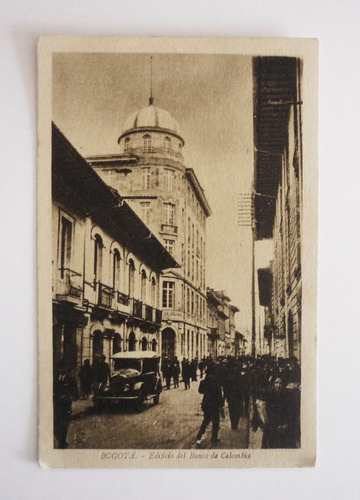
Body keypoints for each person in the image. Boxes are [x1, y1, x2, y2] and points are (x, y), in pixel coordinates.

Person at [196, 366, 224, 446]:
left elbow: (200, 391)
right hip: (215, 405)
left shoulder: (203, 382)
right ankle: (214, 437)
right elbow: (219, 395)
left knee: (206, 420)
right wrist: (221, 405)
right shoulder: (216, 382)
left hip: (206, 404)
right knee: (216, 422)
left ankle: (199, 435)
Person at [261, 377, 293, 449]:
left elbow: (288, 410)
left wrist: (285, 424)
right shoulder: (269, 394)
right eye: (276, 383)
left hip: (282, 426)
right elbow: (267, 411)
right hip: (271, 426)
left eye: (280, 383)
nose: (278, 385)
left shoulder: (286, 395)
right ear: (273, 384)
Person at [53, 360, 78, 449]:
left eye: (64, 368)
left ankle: (62, 442)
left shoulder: (71, 380)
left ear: (66, 369)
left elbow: (75, 392)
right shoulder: (56, 379)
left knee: (64, 423)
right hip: (56, 404)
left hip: (65, 405)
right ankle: (61, 440)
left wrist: (70, 398)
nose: (62, 370)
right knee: (55, 424)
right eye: (60, 368)